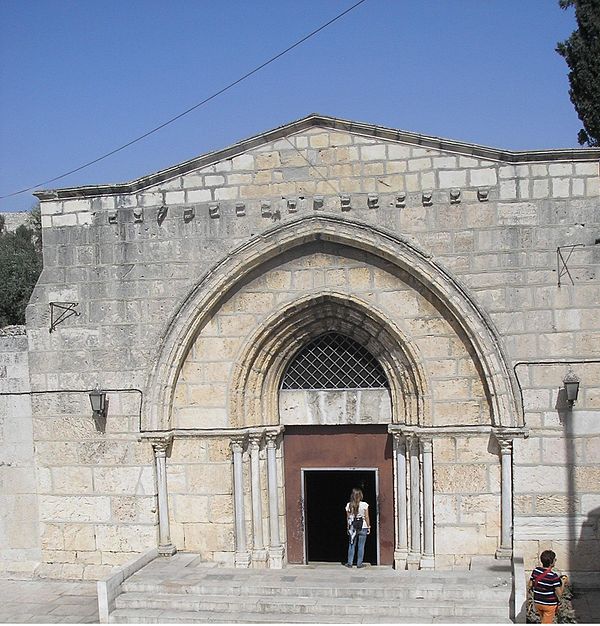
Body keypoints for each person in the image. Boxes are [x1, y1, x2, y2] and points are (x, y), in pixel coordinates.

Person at [529, 549, 567, 624]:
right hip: (549, 605)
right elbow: (560, 594)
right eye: (554, 559)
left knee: (543, 620)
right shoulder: (553, 577)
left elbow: (530, 584)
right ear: (551, 562)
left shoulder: (536, 571)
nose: (555, 560)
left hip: (537, 602)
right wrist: (563, 583)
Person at [344, 487, 370, 568]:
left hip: (353, 527)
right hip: (363, 526)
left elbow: (348, 518)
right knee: (361, 546)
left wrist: (348, 527)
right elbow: (366, 517)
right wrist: (369, 527)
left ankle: (350, 563)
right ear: (361, 495)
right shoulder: (364, 505)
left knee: (351, 545)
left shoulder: (349, 505)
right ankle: (359, 563)